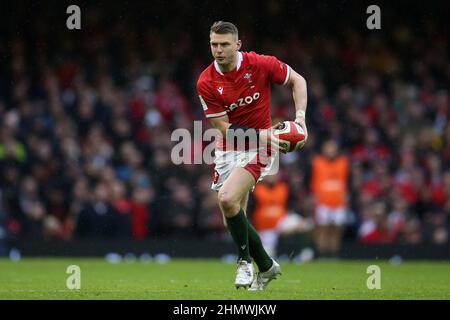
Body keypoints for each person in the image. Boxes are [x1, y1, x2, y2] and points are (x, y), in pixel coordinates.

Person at [196, 21, 308, 290]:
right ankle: (267, 266)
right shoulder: (206, 82)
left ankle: (244, 262)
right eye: (214, 44)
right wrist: (265, 134)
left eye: (224, 44)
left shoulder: (260, 64)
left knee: (226, 198)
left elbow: (297, 80)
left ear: (238, 44)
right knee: (232, 214)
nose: (219, 50)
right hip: (229, 147)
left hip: (260, 148)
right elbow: (223, 128)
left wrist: (301, 119)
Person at [311, 139, 349, 258]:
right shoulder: (317, 162)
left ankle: (333, 255)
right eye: (328, 148)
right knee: (323, 229)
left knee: (336, 230)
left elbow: (348, 181)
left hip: (339, 202)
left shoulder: (343, 162)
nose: (330, 151)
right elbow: (311, 180)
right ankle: (321, 254)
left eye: (332, 148)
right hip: (323, 202)